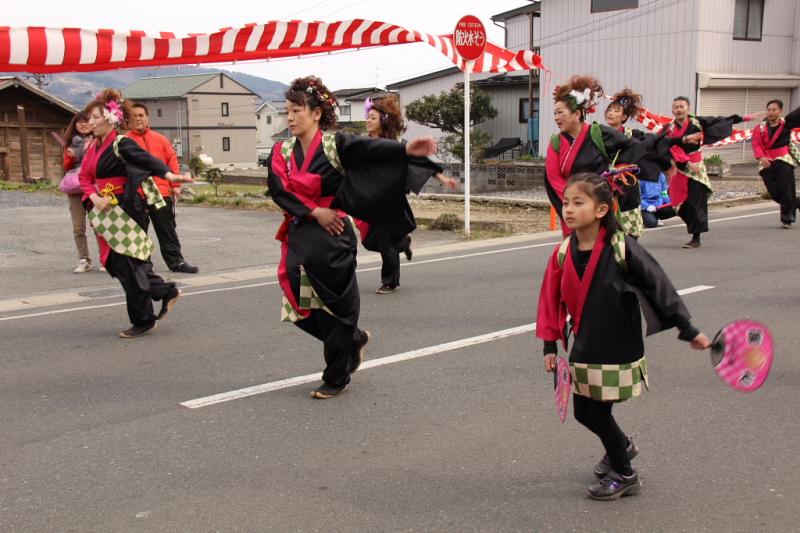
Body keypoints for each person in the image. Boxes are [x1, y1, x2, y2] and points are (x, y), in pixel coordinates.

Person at [537, 172, 711, 501]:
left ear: (602, 210)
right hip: (585, 341)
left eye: (578, 202)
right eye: (565, 203)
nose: (569, 209)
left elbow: (658, 287)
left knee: (596, 412)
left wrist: (687, 329)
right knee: (583, 412)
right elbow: (550, 300)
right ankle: (622, 446)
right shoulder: (562, 252)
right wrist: (549, 345)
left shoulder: (621, 247)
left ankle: (625, 472)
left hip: (617, 342)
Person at [266, 76, 437, 399]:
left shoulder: (335, 144)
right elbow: (278, 188)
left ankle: (337, 374)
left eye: (296, 110)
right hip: (303, 229)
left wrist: (408, 150)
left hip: (334, 236)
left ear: (316, 113)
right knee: (297, 303)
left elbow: (371, 150)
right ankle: (353, 339)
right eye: (286, 111)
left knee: (338, 306)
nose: (289, 117)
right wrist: (314, 212)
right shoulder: (282, 150)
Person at [78, 89, 193, 338]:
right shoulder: (93, 147)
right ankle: (164, 291)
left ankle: (143, 318)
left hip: (126, 209)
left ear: (110, 118)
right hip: (104, 209)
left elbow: (146, 160)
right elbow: (84, 177)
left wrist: (170, 175)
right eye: (89, 118)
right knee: (116, 262)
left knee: (129, 264)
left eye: (95, 117)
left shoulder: (121, 143)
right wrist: (93, 196)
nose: (91, 122)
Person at [545, 76, 669, 238]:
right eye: (555, 113)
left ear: (576, 114)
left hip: (610, 198)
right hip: (578, 203)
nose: (556, 117)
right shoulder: (556, 142)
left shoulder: (604, 134)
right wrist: (575, 203)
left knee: (621, 245)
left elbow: (641, 150)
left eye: (560, 113)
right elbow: (553, 177)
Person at [359, 95, 457, 294]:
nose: (368, 120)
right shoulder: (363, 144)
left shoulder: (396, 145)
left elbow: (420, 161)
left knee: (385, 243)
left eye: (373, 117)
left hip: (390, 201)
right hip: (372, 201)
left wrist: (443, 178)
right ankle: (404, 243)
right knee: (370, 242)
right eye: (368, 117)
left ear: (384, 121)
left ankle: (390, 282)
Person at [666, 96, 748, 248]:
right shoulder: (669, 128)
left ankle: (696, 237)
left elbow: (719, 121)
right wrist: (687, 162)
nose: (678, 109)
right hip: (679, 167)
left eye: (681, 106)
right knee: (678, 203)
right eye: (676, 107)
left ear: (688, 109)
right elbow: (670, 147)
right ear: (672, 110)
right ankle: (692, 226)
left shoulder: (697, 122)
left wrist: (743, 118)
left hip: (697, 166)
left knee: (697, 201)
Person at [128, 102, 199, 273]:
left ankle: (176, 262)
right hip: (137, 192)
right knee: (139, 231)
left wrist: (175, 186)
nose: (138, 118)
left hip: (159, 191)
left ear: (147, 118)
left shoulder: (160, 139)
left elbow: (172, 161)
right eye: (134, 115)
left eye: (141, 115)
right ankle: (143, 265)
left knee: (166, 229)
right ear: (128, 119)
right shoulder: (124, 141)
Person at [751, 99, 800, 228]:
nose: (771, 112)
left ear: (780, 111)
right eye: (769, 110)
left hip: (783, 159)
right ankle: (797, 203)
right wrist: (761, 157)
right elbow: (756, 144)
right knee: (774, 192)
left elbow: (797, 114)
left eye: (774, 110)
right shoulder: (759, 128)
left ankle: (787, 219)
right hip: (766, 161)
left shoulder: (786, 124)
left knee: (785, 189)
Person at [62, 111, 100, 273]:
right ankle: (83, 259)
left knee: (99, 224)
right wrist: (69, 157)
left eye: (87, 121)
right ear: (75, 125)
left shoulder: (99, 140)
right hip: (75, 187)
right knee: (78, 227)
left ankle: (105, 258)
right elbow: (66, 166)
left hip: (93, 186)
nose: (84, 124)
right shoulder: (70, 142)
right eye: (80, 122)